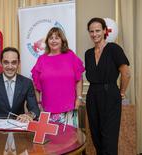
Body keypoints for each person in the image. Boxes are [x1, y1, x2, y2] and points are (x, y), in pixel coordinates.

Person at [85, 17, 130, 155]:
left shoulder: (114, 49)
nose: (94, 34)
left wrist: (121, 93)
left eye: (98, 30)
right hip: (92, 95)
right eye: (91, 31)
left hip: (110, 94)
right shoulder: (88, 53)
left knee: (109, 138)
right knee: (96, 136)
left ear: (105, 31)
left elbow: (126, 74)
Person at [31, 27, 85, 127]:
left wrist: (79, 97)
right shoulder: (41, 60)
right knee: (51, 140)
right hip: (47, 109)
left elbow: (79, 78)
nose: (54, 40)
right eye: (51, 38)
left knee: (69, 139)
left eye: (57, 38)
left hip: (69, 108)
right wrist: (38, 103)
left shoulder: (70, 55)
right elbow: (36, 84)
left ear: (62, 40)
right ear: (47, 41)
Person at [0, 47, 40, 123]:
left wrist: (30, 115)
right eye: (6, 62)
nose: (10, 67)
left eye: (13, 62)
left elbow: (35, 109)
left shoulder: (27, 83)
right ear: (1, 63)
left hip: (19, 128)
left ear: (18, 63)